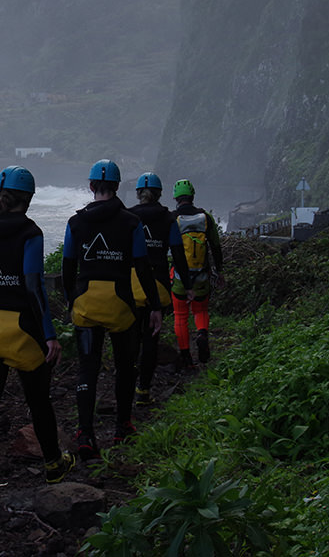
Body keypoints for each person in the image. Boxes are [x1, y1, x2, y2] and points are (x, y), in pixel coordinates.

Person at [0, 165, 75, 504]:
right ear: (28, 199)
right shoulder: (31, 232)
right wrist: (50, 335)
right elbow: (33, 286)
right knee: (38, 401)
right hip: (23, 332)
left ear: (0, 194)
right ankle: (54, 465)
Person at [62, 159, 162, 461]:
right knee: (125, 367)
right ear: (118, 187)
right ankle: (122, 425)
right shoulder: (132, 223)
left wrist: (72, 301)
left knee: (87, 368)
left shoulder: (75, 222)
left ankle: (85, 433)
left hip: (87, 305)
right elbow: (143, 267)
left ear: (91, 186)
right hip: (121, 306)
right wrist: (154, 306)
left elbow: (68, 268)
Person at [127, 172, 190, 406]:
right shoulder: (168, 218)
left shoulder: (129, 215)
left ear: (138, 194)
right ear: (160, 194)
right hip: (160, 286)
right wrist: (188, 284)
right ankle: (143, 390)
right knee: (151, 337)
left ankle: (127, 382)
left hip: (133, 284)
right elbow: (178, 253)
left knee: (131, 338)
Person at [169, 179, 224, 369]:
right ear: (193, 196)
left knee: (180, 315)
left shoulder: (173, 218)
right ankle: (201, 334)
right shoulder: (205, 218)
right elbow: (216, 247)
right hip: (201, 275)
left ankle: (185, 355)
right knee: (200, 310)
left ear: (176, 197)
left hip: (178, 278)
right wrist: (219, 271)